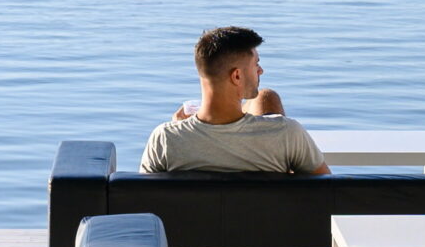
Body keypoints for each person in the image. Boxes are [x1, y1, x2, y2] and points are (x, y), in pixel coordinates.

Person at [140, 26, 331, 175]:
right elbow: (327, 191)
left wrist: (180, 132)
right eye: (256, 64)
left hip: (190, 226)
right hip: (266, 225)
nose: (261, 70)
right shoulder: (286, 134)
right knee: (267, 97)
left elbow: (142, 203)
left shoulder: (165, 138)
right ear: (237, 76)